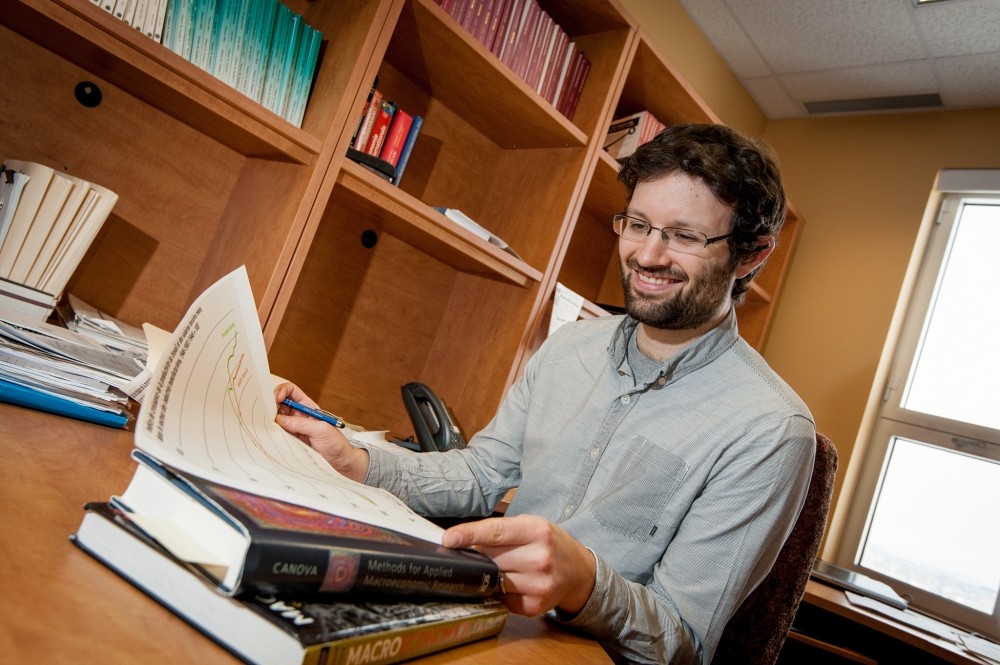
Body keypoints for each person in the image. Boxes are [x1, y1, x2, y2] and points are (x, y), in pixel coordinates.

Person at [275, 123, 816, 664]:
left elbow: (684, 645)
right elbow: (481, 474)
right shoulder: (569, 347)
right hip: (485, 619)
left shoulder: (770, 430)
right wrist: (357, 461)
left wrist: (586, 583)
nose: (647, 256)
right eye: (638, 224)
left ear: (751, 256)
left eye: (685, 236)